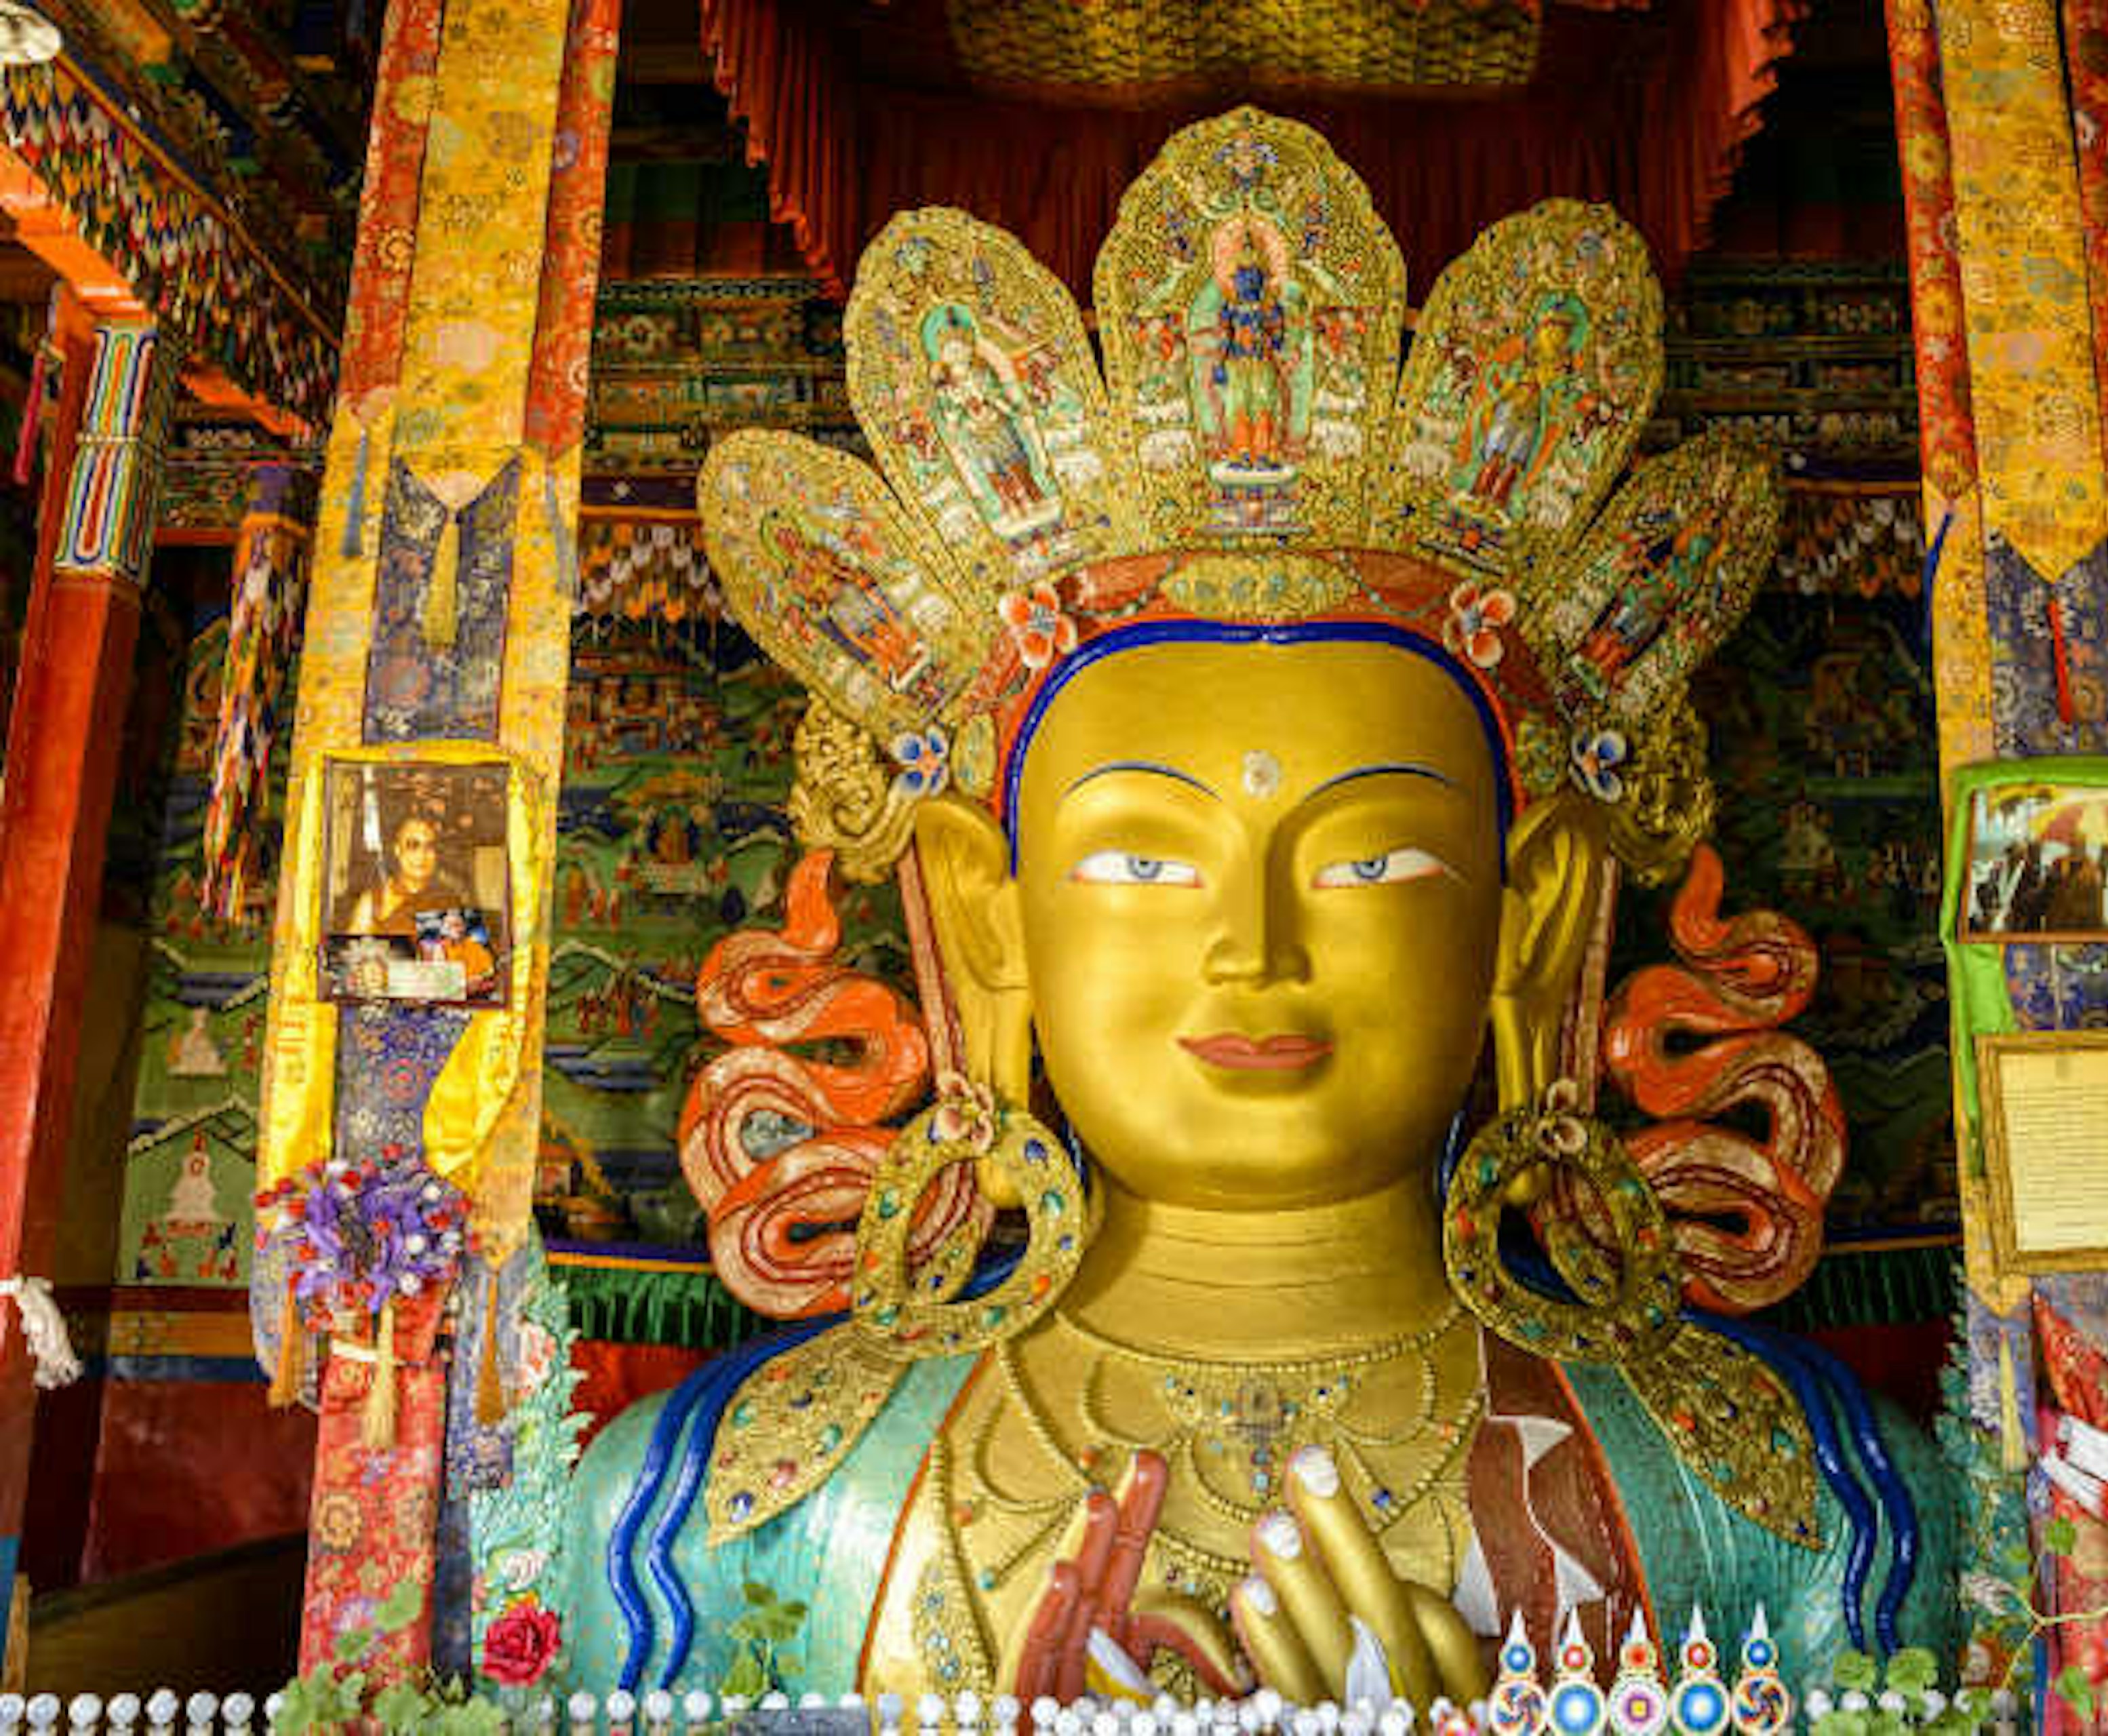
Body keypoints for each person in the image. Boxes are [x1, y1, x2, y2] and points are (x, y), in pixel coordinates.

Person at [558, 109, 1953, 1705]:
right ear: (987, 911)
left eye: (1371, 860)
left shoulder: (1802, 1507)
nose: (1256, 943)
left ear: (1534, 917)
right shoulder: (723, 1520)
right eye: (1143, 860)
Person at [340, 810, 466, 938]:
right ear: (398, 850)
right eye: (413, 846)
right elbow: (350, 952)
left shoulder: (447, 901)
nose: (422, 855)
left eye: (429, 847)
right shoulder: (374, 900)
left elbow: (466, 954)